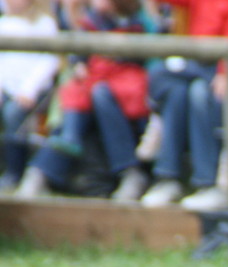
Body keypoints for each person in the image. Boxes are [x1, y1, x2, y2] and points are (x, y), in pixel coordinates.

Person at [15, 0, 152, 201]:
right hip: (92, 95)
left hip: (126, 97)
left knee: (98, 94)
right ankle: (41, 172)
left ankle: (40, 172)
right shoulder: (93, 21)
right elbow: (78, 56)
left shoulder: (139, 22)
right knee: (80, 99)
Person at [139, 0, 228, 210]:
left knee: (198, 92)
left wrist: (225, 73)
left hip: (215, 74)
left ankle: (207, 183)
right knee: (173, 89)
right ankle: (166, 177)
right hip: (194, 68)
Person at [0, 0, 60, 192]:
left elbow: (49, 61)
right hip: (7, 89)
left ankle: (14, 172)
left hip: (34, 89)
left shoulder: (44, 23)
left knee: (13, 114)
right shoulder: (4, 23)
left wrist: (29, 90)